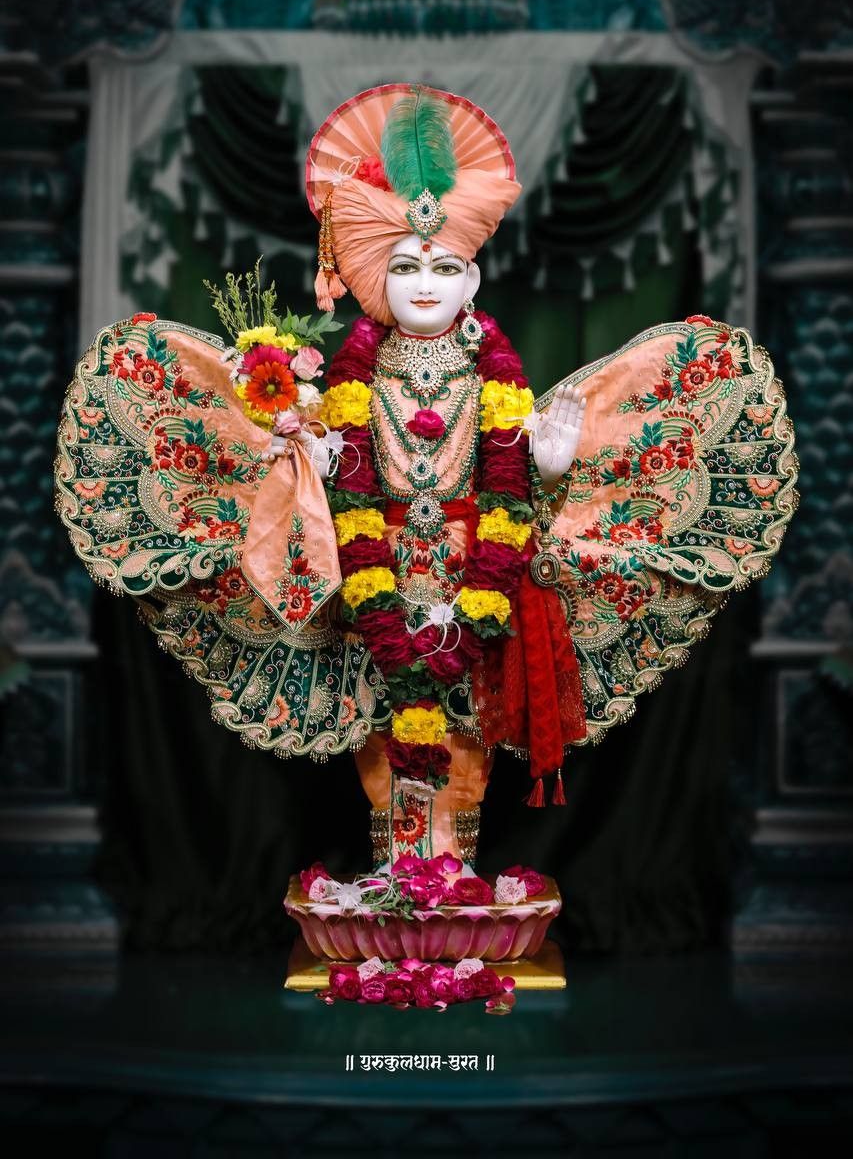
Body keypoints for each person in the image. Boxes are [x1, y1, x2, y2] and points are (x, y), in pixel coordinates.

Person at [56, 84, 798, 871]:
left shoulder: (494, 384)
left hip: (479, 578)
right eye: (405, 264)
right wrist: (306, 464)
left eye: (444, 266)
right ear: (377, 274)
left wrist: (548, 471)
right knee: (381, 742)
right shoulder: (342, 386)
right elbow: (328, 482)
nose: (423, 283)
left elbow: (510, 489)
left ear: (471, 282)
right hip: (364, 579)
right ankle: (395, 888)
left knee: (467, 745)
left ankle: (451, 885)